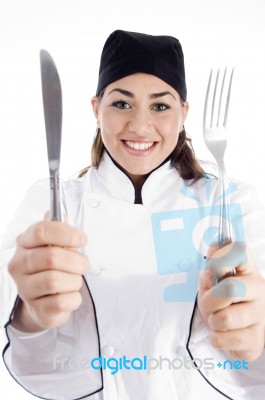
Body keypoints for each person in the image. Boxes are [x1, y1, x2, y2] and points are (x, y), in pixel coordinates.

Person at [1, 29, 265, 400]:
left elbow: (256, 368)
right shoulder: (54, 200)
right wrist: (29, 314)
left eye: (160, 106)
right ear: (96, 108)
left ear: (184, 114)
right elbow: (23, 337)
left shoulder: (231, 201)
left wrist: (256, 333)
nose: (140, 126)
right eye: (122, 104)